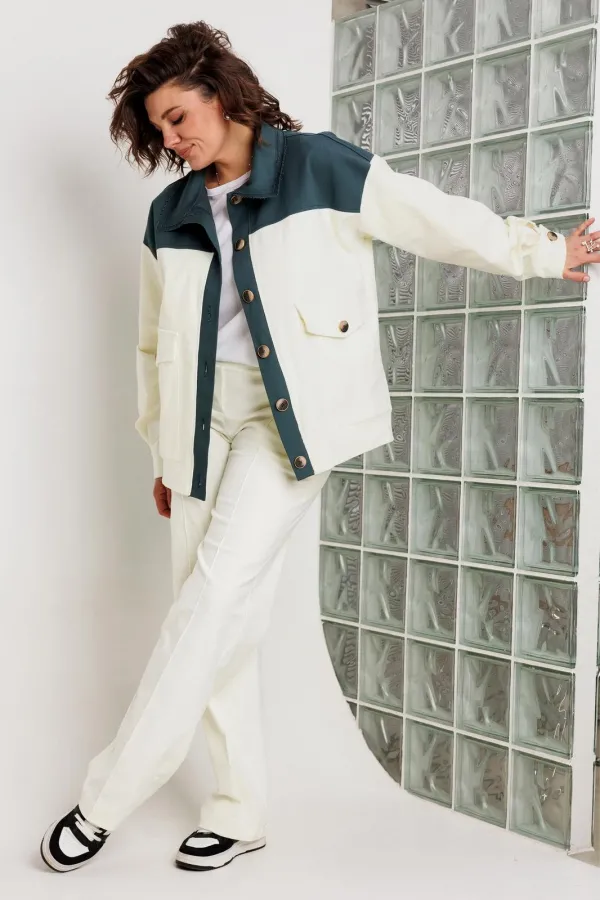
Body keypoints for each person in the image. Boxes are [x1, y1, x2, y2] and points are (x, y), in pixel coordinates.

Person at [40, 19, 599, 875]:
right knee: (218, 617)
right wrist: (163, 451)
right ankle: (240, 812)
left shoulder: (320, 167)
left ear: (222, 94)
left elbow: (434, 218)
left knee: (209, 603)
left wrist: (546, 252)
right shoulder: (169, 214)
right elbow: (153, 346)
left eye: (179, 116)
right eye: (159, 128)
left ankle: (104, 801)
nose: (173, 139)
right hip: (197, 431)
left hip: (286, 424)